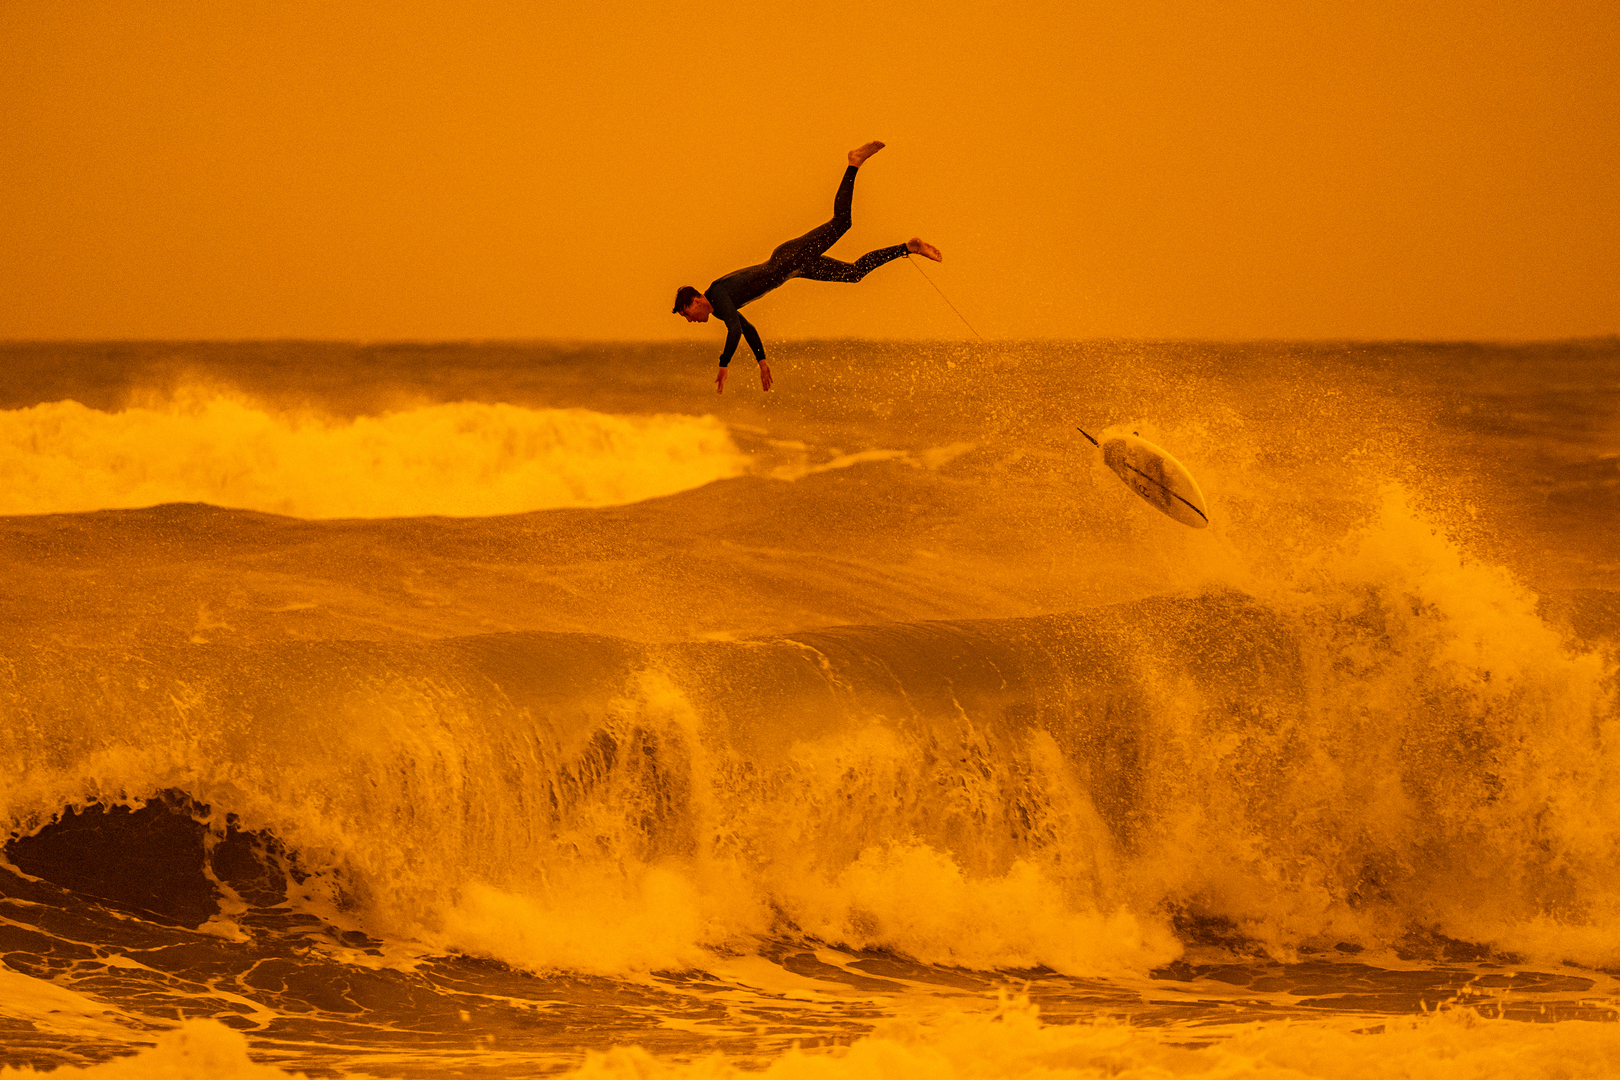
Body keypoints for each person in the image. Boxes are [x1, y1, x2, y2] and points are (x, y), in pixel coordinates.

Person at [673, 141, 943, 393]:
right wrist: (762, 362)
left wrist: (723, 364)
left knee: (842, 222)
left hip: (789, 259)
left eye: (687, 314)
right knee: (854, 274)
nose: (690, 321)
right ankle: (909, 248)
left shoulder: (718, 294)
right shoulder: (721, 309)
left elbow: (734, 331)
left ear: (696, 300)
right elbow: (748, 330)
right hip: (795, 268)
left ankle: (854, 162)